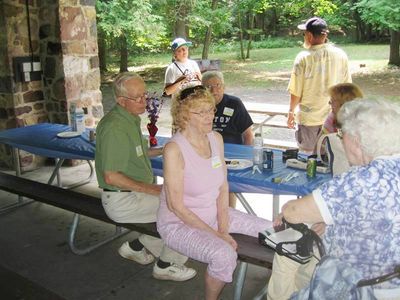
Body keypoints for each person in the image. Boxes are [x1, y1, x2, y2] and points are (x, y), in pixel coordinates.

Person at [267, 99, 400, 300]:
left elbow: (292, 213)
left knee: (286, 251)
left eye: (341, 134)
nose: (340, 139)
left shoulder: (358, 180)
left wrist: (287, 208)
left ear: (356, 140)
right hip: (390, 282)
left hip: (356, 288)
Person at [157, 86, 272, 300]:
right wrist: (218, 236)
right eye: (201, 112)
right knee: (224, 255)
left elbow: (222, 186)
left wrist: (222, 226)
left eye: (211, 109)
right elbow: (176, 207)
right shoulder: (175, 150)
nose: (210, 115)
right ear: (183, 115)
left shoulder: (215, 138)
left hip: (212, 214)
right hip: (178, 224)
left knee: (271, 229)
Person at [95, 72, 196, 282]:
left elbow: (137, 152)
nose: (145, 101)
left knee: (178, 202)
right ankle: (165, 264)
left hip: (130, 195)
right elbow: (112, 176)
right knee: (182, 209)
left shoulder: (128, 118)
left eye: (145, 94)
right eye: (138, 98)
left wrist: (164, 149)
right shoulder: (115, 127)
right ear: (122, 101)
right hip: (123, 200)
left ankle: (136, 246)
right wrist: (154, 190)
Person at [287, 16, 352, 153]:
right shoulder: (341, 55)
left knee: (309, 158)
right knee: (332, 157)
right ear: (325, 35)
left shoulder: (303, 58)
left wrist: (291, 112)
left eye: (304, 34)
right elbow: (347, 89)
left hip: (310, 120)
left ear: (309, 35)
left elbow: (296, 92)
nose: (304, 36)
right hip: (334, 119)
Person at [202, 71, 254, 145]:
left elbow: (248, 134)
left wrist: (247, 154)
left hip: (233, 150)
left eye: (217, 85)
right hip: (207, 148)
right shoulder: (199, 106)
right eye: (208, 87)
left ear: (223, 87)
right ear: (203, 90)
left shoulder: (234, 103)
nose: (213, 90)